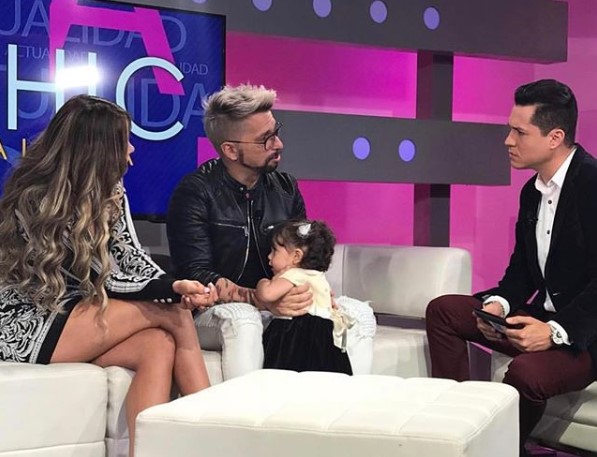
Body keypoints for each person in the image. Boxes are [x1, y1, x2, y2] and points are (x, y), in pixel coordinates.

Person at [0, 95, 218, 457]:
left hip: (77, 313)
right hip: (30, 321)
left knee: (157, 345)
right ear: (99, 147)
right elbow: (108, 279)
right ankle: (215, 435)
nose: (131, 149)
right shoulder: (37, 195)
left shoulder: (111, 191)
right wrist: (171, 290)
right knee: (173, 313)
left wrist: (175, 286)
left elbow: (132, 258)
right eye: (124, 140)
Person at [425, 79, 597, 456]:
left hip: (585, 334)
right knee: (443, 310)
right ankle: (454, 427)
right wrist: (499, 305)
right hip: (542, 316)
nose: (508, 140)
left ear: (554, 137)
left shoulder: (591, 184)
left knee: (525, 374)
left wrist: (554, 333)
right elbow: (522, 271)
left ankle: (494, 449)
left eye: (520, 132)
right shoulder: (531, 191)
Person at [166, 84, 313, 376]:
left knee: (355, 314)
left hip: (272, 300)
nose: (278, 144)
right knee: (243, 320)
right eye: (265, 139)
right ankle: (242, 406)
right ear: (230, 150)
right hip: (208, 311)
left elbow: (304, 257)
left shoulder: (286, 188)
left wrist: (306, 291)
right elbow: (197, 275)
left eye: (276, 132)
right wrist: (262, 299)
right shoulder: (195, 192)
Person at [257, 219, 354, 374]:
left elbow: (267, 294)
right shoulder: (318, 276)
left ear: (296, 256)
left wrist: (262, 282)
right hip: (325, 336)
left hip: (297, 334)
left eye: (274, 251)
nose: (269, 257)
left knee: (287, 376)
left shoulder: (293, 274)